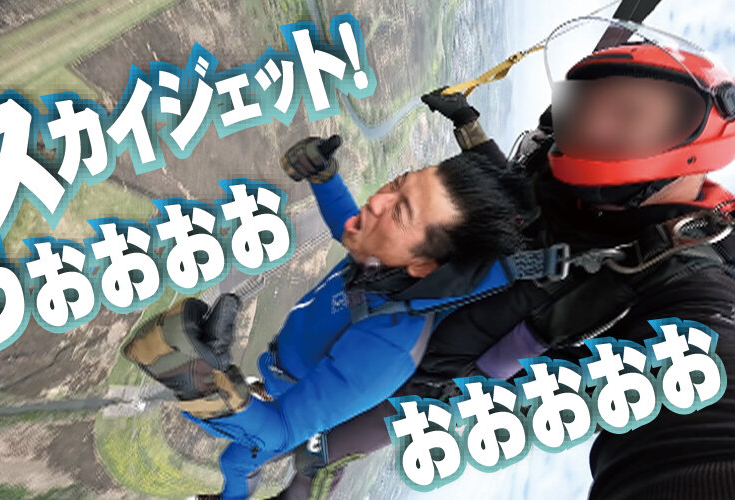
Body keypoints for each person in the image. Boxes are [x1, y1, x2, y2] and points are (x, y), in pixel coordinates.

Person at [274, 38, 735, 500]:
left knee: (318, 452)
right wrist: (467, 124)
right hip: (418, 291)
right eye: (588, 104)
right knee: (308, 359)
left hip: (435, 378)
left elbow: (705, 418)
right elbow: (513, 188)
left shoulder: (686, 275)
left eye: (628, 115)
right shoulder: (564, 158)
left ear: (687, 152)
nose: (594, 122)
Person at [120, 135, 524, 499]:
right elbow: (348, 228)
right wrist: (324, 178)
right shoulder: (383, 263)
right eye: (398, 182)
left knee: (235, 463)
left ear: (423, 265)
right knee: (236, 462)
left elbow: (282, 431)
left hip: (293, 402)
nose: (378, 201)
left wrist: (204, 386)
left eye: (400, 212)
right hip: (277, 378)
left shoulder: (388, 347)